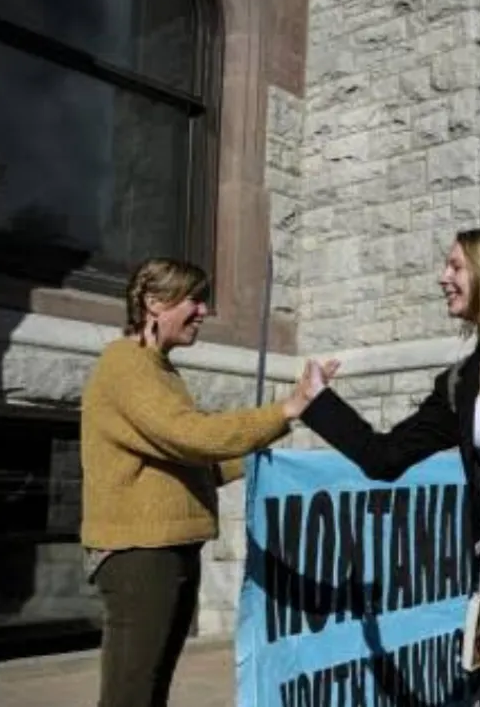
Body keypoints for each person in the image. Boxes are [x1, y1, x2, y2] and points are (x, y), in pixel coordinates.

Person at [80, 258, 317, 707]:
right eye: (194, 298)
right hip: (140, 556)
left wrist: (258, 455)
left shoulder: (161, 369)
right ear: (153, 302)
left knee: (151, 690)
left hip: (169, 550)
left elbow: (191, 460)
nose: (204, 311)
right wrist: (285, 409)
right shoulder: (125, 365)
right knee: (130, 695)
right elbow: (191, 436)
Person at [300, 228, 480, 592]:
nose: (443, 278)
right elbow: (384, 457)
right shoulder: (459, 382)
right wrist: (320, 399)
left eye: (455, 267)